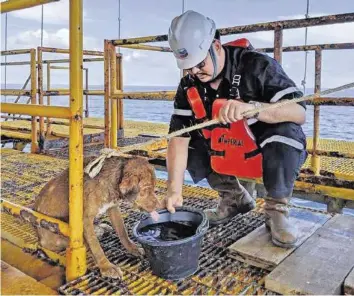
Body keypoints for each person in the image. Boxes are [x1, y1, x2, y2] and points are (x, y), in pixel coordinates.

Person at [164, 10, 308, 248]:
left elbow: (299, 113)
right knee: (186, 141)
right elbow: (178, 138)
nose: (195, 73)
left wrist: (253, 108)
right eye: (188, 68)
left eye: (200, 64)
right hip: (226, 148)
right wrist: (173, 190)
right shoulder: (189, 85)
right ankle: (234, 199)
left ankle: (276, 212)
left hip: (263, 149)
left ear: (217, 47)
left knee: (287, 133)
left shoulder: (258, 66)